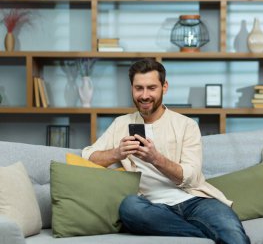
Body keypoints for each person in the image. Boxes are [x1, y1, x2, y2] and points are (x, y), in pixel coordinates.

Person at [82, 58, 250, 244]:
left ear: (164, 87)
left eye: (151, 88)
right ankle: (205, 236)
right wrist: (117, 153)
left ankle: (206, 235)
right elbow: (88, 156)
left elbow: (192, 176)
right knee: (129, 207)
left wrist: (156, 159)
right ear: (132, 88)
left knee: (232, 234)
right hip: (151, 207)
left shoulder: (186, 125)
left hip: (195, 201)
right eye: (139, 88)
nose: (144, 95)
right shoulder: (121, 124)